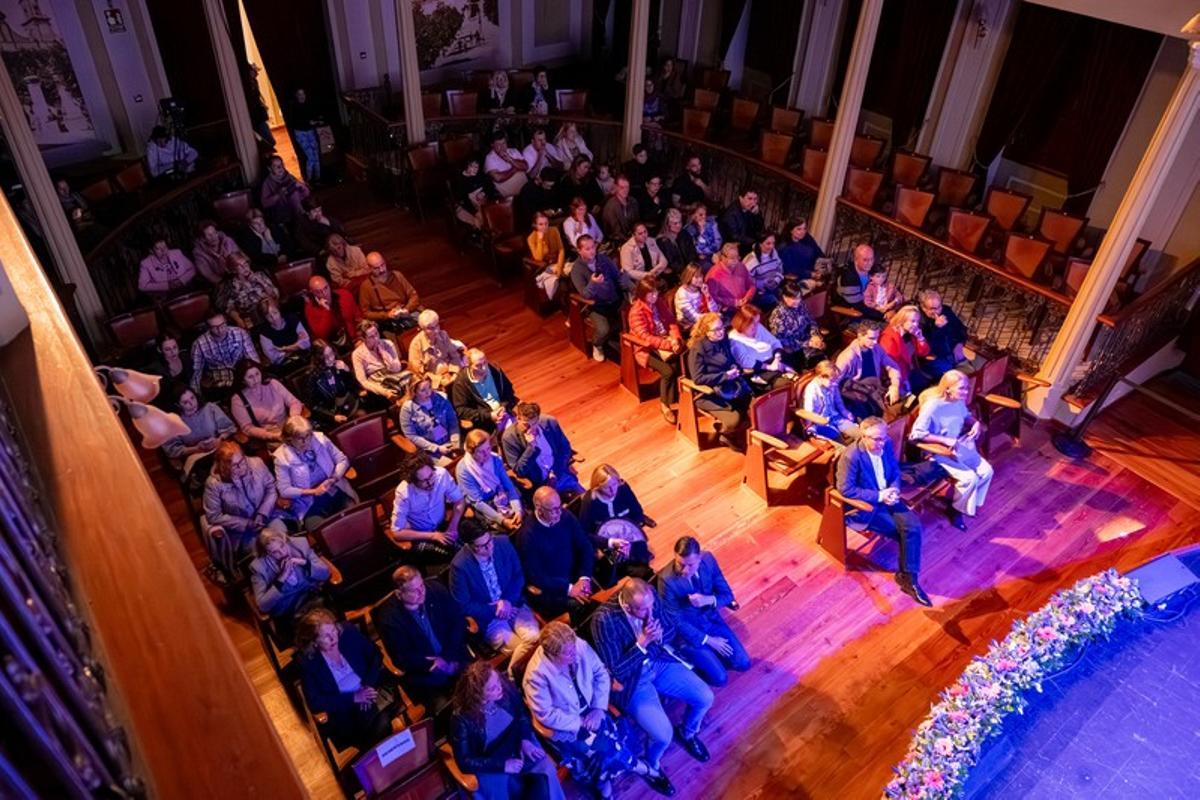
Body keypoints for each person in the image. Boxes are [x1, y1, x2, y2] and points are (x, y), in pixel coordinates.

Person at [523, 622, 667, 799]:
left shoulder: (578, 645)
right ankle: (646, 770)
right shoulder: (536, 675)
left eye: (573, 647)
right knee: (607, 751)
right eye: (568, 653)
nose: (575, 654)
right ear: (552, 655)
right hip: (568, 726)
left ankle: (604, 789)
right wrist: (579, 723)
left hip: (594, 711)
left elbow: (600, 673)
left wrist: (598, 708)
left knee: (608, 748)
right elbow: (546, 714)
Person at [591, 579, 714, 778]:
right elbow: (616, 671)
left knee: (705, 697)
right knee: (663, 736)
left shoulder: (650, 598)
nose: (649, 613)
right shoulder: (604, 620)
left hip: (658, 662)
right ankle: (652, 766)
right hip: (633, 679)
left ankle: (687, 732)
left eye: (651, 607)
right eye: (642, 610)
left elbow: (671, 629)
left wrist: (659, 636)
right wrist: (642, 644)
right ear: (628, 607)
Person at [835, 416, 930, 606]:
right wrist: (880, 496)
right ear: (863, 436)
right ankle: (909, 579)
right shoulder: (850, 456)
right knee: (903, 533)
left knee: (913, 526)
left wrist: (894, 489)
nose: (880, 442)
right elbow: (845, 489)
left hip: (889, 496)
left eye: (883, 438)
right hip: (869, 505)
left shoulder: (885, 445)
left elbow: (894, 470)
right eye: (875, 439)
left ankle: (907, 579)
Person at [450, 661, 565, 800]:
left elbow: (522, 714)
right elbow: (465, 761)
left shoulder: (504, 687)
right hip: (490, 762)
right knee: (503, 792)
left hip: (517, 744)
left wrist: (525, 739)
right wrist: (503, 765)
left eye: (497, 682)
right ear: (478, 696)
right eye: (492, 688)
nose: (499, 688)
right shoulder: (461, 719)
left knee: (545, 768)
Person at [296, 607, 400, 750]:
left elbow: (375, 655)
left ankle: (375, 758)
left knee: (378, 721)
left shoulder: (348, 632)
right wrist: (354, 698)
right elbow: (315, 702)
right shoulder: (308, 662)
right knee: (379, 723)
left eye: (333, 631)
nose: (333, 638)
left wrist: (367, 686)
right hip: (344, 711)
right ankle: (387, 753)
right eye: (325, 636)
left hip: (372, 689)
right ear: (314, 642)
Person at [656, 537, 749, 687]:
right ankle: (694, 664)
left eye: (691, 565)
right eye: (680, 564)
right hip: (687, 634)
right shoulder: (665, 580)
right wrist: (709, 640)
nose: (685, 571)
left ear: (699, 558)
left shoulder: (709, 560)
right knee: (720, 679)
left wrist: (709, 600)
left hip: (711, 621)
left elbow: (727, 595)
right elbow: (676, 622)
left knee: (743, 664)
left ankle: (711, 660)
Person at [375, 566, 469, 713]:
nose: (421, 592)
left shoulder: (436, 589)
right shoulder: (389, 618)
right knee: (445, 711)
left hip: (454, 657)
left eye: (421, 585)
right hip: (425, 674)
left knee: (480, 688)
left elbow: (457, 622)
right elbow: (402, 657)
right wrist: (436, 664)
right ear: (399, 594)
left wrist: (447, 659)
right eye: (414, 590)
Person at [910, 370, 993, 530]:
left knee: (987, 471)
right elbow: (916, 434)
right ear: (947, 388)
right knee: (969, 478)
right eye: (962, 388)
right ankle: (956, 511)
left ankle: (967, 502)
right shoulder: (933, 406)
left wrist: (974, 422)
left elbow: (966, 415)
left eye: (967, 388)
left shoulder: (958, 400)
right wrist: (944, 440)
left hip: (959, 446)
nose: (966, 392)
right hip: (940, 451)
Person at [450, 526, 542, 666]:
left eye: (490, 541)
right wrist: (496, 609)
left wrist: (507, 602)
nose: (489, 547)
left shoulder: (503, 543)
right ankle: (517, 674)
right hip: (488, 618)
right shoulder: (460, 566)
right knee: (520, 648)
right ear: (469, 546)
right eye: (482, 546)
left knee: (535, 638)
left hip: (514, 605)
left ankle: (515, 672)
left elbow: (518, 575)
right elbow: (463, 605)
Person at [202, 441, 288, 578]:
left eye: (242, 461)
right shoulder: (214, 484)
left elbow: (271, 488)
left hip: (267, 517)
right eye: (235, 465)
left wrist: (262, 513)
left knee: (283, 540)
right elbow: (214, 516)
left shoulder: (256, 463)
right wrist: (246, 523)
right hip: (242, 532)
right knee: (259, 554)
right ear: (224, 466)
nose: (241, 467)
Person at [515, 487, 596, 623]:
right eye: (553, 509)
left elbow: (585, 545)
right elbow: (537, 577)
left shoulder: (565, 516)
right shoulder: (527, 536)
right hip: (552, 592)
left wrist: (584, 578)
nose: (559, 512)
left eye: (559, 506)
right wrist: (569, 589)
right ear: (539, 510)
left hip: (576, 578)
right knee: (584, 606)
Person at [273, 415, 357, 531]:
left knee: (355, 515)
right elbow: (284, 489)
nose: (306, 441)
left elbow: (342, 460)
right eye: (300, 438)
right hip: (309, 502)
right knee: (323, 531)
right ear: (289, 439)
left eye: (308, 435)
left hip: (333, 489)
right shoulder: (281, 458)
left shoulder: (320, 439)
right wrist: (313, 491)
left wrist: (333, 478)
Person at [579, 464, 654, 585]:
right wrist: (610, 542)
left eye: (614, 484)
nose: (613, 490)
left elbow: (637, 512)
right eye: (607, 487)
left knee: (646, 572)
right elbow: (584, 533)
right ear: (597, 487)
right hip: (605, 545)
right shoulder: (590, 501)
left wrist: (628, 537)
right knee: (611, 575)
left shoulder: (622, 487)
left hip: (629, 539)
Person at [389, 451, 467, 565]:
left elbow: (459, 500)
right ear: (413, 482)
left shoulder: (441, 474)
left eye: (431, 476)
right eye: (424, 481)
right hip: (420, 535)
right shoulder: (404, 493)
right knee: (454, 557)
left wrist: (453, 526)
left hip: (442, 525)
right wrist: (432, 536)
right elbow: (397, 533)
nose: (430, 483)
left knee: (469, 544)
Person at [686, 313, 751, 446]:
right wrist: (725, 376)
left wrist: (734, 367)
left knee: (753, 406)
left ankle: (737, 433)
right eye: (716, 330)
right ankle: (725, 436)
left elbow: (729, 360)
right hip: (709, 393)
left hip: (730, 386)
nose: (720, 332)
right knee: (734, 419)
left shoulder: (723, 340)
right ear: (706, 332)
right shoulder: (698, 349)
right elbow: (698, 378)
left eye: (721, 327)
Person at [627, 278, 684, 423]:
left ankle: (675, 396)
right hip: (645, 348)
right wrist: (670, 344)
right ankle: (665, 405)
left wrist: (676, 339)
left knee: (680, 358)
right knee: (668, 371)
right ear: (642, 294)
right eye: (650, 294)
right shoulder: (636, 312)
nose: (654, 296)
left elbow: (671, 321)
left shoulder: (659, 302)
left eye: (655, 292)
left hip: (665, 341)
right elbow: (646, 338)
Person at [250, 529, 332, 627]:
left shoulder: (300, 545)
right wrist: (281, 579)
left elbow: (325, 573)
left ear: (285, 540)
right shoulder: (259, 567)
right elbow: (263, 605)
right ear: (267, 554)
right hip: (289, 610)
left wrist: (305, 563)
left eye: (282, 546)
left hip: (314, 597)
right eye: (275, 552)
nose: (282, 552)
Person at [502, 403, 584, 495]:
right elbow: (519, 471)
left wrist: (555, 473)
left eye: (535, 423)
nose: (531, 429)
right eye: (526, 425)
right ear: (518, 419)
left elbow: (565, 448)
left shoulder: (549, 422)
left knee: (587, 497)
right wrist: (531, 447)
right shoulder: (509, 438)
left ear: (538, 418)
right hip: (538, 484)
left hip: (559, 473)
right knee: (553, 506)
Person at [162, 386, 236, 489]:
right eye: (185, 402)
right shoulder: (174, 422)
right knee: (214, 467)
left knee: (230, 457)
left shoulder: (210, 408)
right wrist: (196, 448)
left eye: (192, 398)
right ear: (178, 405)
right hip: (196, 456)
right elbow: (171, 450)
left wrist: (219, 439)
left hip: (218, 447)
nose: (192, 404)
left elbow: (229, 428)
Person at [456, 430, 524, 531]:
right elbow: (478, 502)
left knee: (523, 518)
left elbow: (508, 486)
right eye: (481, 451)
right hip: (485, 504)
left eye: (488, 448)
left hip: (502, 494)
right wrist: (502, 520)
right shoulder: (464, 470)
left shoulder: (495, 459)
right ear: (471, 451)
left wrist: (517, 510)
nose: (487, 454)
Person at [569, 235, 622, 362]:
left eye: (593, 247)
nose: (592, 251)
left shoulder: (603, 258)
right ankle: (597, 345)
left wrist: (631, 289)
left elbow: (618, 276)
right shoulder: (577, 270)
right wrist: (593, 283)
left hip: (614, 299)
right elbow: (585, 294)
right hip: (596, 306)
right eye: (587, 249)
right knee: (604, 330)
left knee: (632, 316)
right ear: (579, 250)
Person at [835, 320, 903, 418]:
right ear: (859, 336)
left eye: (877, 338)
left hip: (875, 388)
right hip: (859, 394)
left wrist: (895, 386)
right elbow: (835, 383)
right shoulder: (847, 357)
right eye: (871, 338)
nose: (875, 342)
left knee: (899, 406)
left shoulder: (876, 348)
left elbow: (892, 366)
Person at [230, 359, 303, 447]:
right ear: (243, 380)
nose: (256, 379)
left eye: (257, 374)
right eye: (250, 377)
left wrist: (294, 419)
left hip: (290, 426)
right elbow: (248, 428)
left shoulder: (273, 384)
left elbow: (294, 402)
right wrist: (273, 436)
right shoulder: (238, 400)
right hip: (270, 435)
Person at [190, 312, 260, 399]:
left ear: (226, 322)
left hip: (242, 376)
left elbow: (253, 359)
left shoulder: (240, 333)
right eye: (215, 327)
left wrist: (258, 377)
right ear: (208, 328)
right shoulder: (199, 344)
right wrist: (197, 397)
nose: (220, 330)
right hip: (220, 382)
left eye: (222, 325)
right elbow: (196, 373)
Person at [727, 305, 795, 392]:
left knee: (800, 379)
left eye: (757, 322)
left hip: (776, 361)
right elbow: (745, 362)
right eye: (753, 324)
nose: (757, 326)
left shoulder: (758, 327)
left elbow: (775, 342)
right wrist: (769, 367)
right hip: (760, 371)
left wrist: (777, 359)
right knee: (788, 386)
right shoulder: (734, 339)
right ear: (743, 323)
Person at [450, 348, 518, 433]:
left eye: (485, 362)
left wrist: (503, 407)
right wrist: (489, 416)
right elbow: (461, 410)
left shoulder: (494, 369)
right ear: (469, 365)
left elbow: (508, 390)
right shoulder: (461, 383)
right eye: (478, 365)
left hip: (504, 411)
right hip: (484, 422)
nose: (484, 368)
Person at [399, 376, 461, 464]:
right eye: (423, 390)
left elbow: (453, 422)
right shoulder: (408, 408)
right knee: (450, 466)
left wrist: (455, 442)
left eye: (429, 387)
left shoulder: (441, 398)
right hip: (430, 450)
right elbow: (411, 435)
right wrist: (436, 448)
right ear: (414, 391)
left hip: (450, 441)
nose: (428, 392)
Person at [769, 279, 825, 371]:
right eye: (794, 298)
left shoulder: (801, 305)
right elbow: (782, 341)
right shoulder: (778, 315)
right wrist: (807, 344)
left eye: (799, 298)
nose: (798, 301)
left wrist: (814, 335)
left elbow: (811, 321)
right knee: (817, 366)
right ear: (784, 297)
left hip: (808, 342)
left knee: (824, 361)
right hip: (794, 349)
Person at [358, 251, 421, 334]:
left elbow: (413, 295)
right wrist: (386, 315)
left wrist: (406, 309)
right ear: (369, 268)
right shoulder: (366, 286)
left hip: (405, 313)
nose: (381, 270)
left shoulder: (397, 276)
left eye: (382, 265)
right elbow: (366, 313)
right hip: (386, 321)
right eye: (376, 268)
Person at [801, 360, 860, 443]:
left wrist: (845, 412)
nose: (835, 384)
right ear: (820, 377)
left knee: (859, 434)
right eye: (832, 381)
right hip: (821, 423)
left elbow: (838, 401)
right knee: (840, 441)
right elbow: (809, 414)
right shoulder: (812, 390)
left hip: (835, 418)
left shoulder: (832, 386)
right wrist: (812, 429)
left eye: (836, 380)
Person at [304, 340, 360, 427]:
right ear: (318, 358)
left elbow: (355, 388)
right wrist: (332, 417)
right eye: (326, 357)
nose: (331, 358)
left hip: (346, 405)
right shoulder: (311, 377)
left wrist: (347, 371)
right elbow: (313, 406)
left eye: (331, 353)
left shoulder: (338, 365)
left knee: (361, 417)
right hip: (329, 415)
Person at [216, 252, 279, 328]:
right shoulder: (230, 285)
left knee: (266, 304)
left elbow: (274, 295)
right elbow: (229, 308)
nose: (245, 268)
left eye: (246, 264)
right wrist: (238, 320)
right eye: (240, 266)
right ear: (233, 270)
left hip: (269, 313)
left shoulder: (260, 275)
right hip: (249, 317)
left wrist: (260, 281)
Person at [880, 305, 932, 395]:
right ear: (901, 321)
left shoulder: (910, 333)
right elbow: (891, 366)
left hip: (912, 370)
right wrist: (904, 382)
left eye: (917, 321)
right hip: (898, 376)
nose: (916, 325)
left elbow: (923, 353)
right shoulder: (889, 338)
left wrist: (920, 338)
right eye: (912, 321)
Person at [408, 309, 465, 391]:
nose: (436, 330)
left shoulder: (443, 335)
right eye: (431, 328)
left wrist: (454, 373)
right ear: (422, 329)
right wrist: (439, 380)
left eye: (437, 325)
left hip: (450, 372)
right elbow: (420, 374)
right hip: (434, 381)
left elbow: (454, 356)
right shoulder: (415, 345)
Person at [917, 289, 968, 382]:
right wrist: (937, 328)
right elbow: (927, 347)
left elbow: (961, 329)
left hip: (951, 352)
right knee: (954, 379)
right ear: (923, 308)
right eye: (932, 308)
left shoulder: (946, 311)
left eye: (939, 307)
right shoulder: (919, 320)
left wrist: (959, 344)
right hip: (932, 358)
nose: (937, 311)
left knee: (970, 373)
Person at [351, 320, 409, 401]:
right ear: (363, 339)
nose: (376, 338)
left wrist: (385, 354)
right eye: (371, 337)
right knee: (396, 389)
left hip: (393, 374)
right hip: (376, 382)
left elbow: (397, 368)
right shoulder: (357, 354)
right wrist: (384, 392)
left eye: (377, 333)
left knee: (413, 380)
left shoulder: (387, 344)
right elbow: (363, 381)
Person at [304, 275, 363, 349]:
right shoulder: (310, 309)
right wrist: (326, 311)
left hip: (355, 339)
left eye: (326, 288)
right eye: (318, 292)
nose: (324, 293)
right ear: (312, 293)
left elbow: (358, 317)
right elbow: (322, 335)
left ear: (329, 285)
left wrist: (360, 338)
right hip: (333, 347)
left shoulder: (344, 294)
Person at [255, 298, 311, 369]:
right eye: (269, 316)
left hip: (305, 358)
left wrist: (284, 349)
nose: (274, 318)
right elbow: (274, 358)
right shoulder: (264, 333)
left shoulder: (292, 319)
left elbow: (306, 342)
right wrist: (297, 346)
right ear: (265, 318)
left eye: (275, 313)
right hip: (285, 367)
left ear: (279, 310)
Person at [260, 154, 311, 227]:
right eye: (275, 166)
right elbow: (265, 203)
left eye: (281, 164)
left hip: (296, 208)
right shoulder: (267, 183)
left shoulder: (289, 176)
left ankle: (303, 220)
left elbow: (306, 194)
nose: (280, 168)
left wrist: (301, 186)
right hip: (282, 211)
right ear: (269, 169)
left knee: (295, 194)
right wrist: (278, 194)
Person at [285, 87, 323, 184]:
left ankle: (318, 178)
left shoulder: (309, 105)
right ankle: (309, 180)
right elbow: (296, 123)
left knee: (316, 155)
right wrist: (310, 122)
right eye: (299, 94)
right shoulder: (293, 107)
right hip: (301, 133)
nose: (302, 96)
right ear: (296, 96)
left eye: (303, 94)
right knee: (311, 157)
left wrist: (316, 121)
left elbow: (313, 118)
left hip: (310, 131)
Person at [526, 211, 566, 302]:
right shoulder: (531, 238)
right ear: (535, 225)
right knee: (560, 280)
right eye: (541, 224)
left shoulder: (554, 230)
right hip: (545, 266)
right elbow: (538, 258)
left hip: (558, 262)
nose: (544, 226)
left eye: (546, 223)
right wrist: (540, 240)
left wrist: (559, 267)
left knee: (567, 274)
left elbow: (561, 250)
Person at [453, 156, 502, 230]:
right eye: (472, 166)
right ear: (466, 166)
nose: (475, 169)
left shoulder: (480, 175)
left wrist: (484, 192)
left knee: (492, 213)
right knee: (472, 217)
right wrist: (474, 211)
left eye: (477, 167)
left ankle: (486, 230)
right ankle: (484, 231)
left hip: (484, 202)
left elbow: (490, 186)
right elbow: (463, 199)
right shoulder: (460, 180)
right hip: (470, 205)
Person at [706, 242, 755, 312]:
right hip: (727, 310)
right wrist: (734, 302)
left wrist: (748, 297)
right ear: (723, 257)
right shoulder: (714, 274)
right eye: (732, 258)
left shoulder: (741, 266)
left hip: (745, 305)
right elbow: (712, 297)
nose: (736, 261)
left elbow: (751, 285)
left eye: (737, 257)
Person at [148, 334, 194, 406]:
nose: (173, 352)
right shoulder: (157, 369)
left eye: (175, 347)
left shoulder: (185, 357)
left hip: (191, 396)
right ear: (160, 350)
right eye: (168, 349)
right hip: (172, 403)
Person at [779, 217, 824, 290]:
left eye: (804, 229)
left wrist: (818, 268)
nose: (803, 232)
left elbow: (817, 254)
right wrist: (811, 274)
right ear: (791, 230)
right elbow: (791, 270)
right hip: (792, 280)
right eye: (799, 229)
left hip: (807, 275)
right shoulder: (785, 248)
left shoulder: (807, 240)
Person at [837, 243, 880, 318]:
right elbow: (858, 306)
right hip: (850, 313)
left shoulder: (872, 270)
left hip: (870, 306)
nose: (869, 263)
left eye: (871, 259)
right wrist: (883, 315)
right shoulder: (849, 277)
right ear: (856, 259)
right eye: (865, 260)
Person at [743, 232, 784, 310]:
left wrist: (776, 280)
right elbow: (746, 281)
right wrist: (763, 283)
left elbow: (780, 268)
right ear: (760, 244)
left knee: (787, 298)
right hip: (759, 292)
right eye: (768, 243)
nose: (771, 246)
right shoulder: (751, 260)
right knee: (774, 301)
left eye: (773, 243)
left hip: (774, 286)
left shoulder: (774, 252)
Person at [515, 166, 561, 233]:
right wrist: (543, 213)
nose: (549, 188)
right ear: (540, 180)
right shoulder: (528, 190)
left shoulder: (549, 188)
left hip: (546, 219)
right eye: (547, 185)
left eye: (551, 186)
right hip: (530, 223)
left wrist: (553, 211)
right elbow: (527, 212)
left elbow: (552, 202)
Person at [192, 220, 240, 285]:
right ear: (203, 239)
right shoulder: (199, 254)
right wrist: (228, 285)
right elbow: (210, 275)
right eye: (209, 235)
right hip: (222, 282)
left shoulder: (227, 241)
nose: (214, 237)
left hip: (239, 275)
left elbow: (240, 260)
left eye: (215, 233)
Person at [483, 130, 529, 198]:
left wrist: (510, 160)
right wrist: (515, 168)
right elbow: (498, 178)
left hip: (526, 190)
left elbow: (525, 167)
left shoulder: (514, 151)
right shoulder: (489, 158)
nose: (502, 147)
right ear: (492, 145)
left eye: (504, 143)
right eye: (499, 144)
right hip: (510, 196)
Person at [718, 189, 763, 257]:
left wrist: (757, 215)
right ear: (741, 198)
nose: (752, 203)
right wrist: (754, 243)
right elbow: (735, 236)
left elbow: (759, 228)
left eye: (755, 199)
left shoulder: (751, 209)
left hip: (746, 242)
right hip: (732, 246)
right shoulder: (732, 213)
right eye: (749, 198)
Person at [673, 264, 712, 335]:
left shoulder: (701, 288)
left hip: (703, 320)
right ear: (689, 277)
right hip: (689, 326)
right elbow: (693, 317)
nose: (700, 279)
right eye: (696, 277)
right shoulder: (682, 293)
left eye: (701, 276)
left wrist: (707, 294)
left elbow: (713, 309)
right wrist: (711, 318)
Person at [600, 175, 639, 242]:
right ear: (616, 187)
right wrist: (631, 241)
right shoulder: (611, 207)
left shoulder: (633, 201)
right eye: (622, 187)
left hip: (632, 237)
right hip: (617, 241)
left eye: (627, 187)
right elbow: (616, 232)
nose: (625, 190)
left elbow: (637, 221)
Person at [683, 204, 722, 271]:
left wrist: (712, 252)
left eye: (705, 214)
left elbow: (718, 242)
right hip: (701, 259)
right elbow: (696, 249)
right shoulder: (689, 230)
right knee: (709, 267)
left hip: (715, 254)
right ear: (693, 216)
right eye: (701, 215)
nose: (704, 217)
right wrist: (701, 233)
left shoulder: (712, 224)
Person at [656, 208, 695, 275]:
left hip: (690, 269)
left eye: (680, 222)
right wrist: (685, 272)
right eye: (675, 223)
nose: (678, 225)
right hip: (675, 273)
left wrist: (691, 268)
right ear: (667, 224)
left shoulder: (684, 234)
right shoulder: (663, 241)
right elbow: (672, 263)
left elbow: (692, 253)